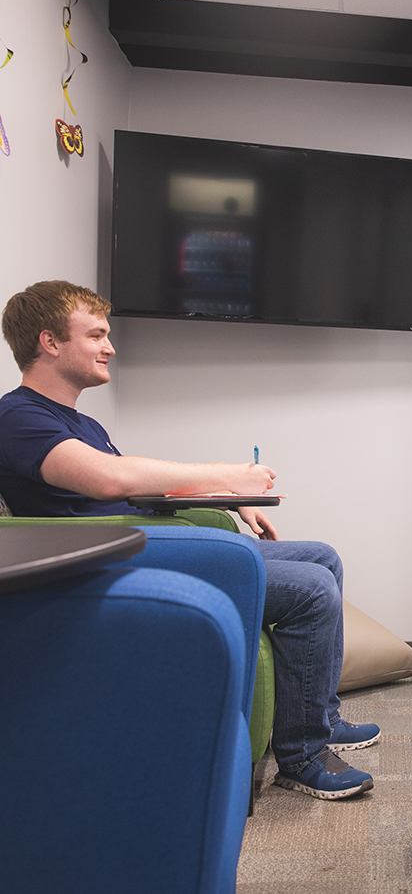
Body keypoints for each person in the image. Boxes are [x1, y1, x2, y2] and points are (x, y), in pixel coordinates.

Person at [0, 280, 380, 800]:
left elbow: (139, 488)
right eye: (96, 335)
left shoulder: (80, 422)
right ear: (49, 342)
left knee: (322, 557)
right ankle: (302, 757)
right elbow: (110, 481)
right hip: (109, 559)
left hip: (148, 540)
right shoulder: (18, 418)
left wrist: (229, 494)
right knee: (311, 589)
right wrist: (230, 474)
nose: (109, 347)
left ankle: (322, 718)